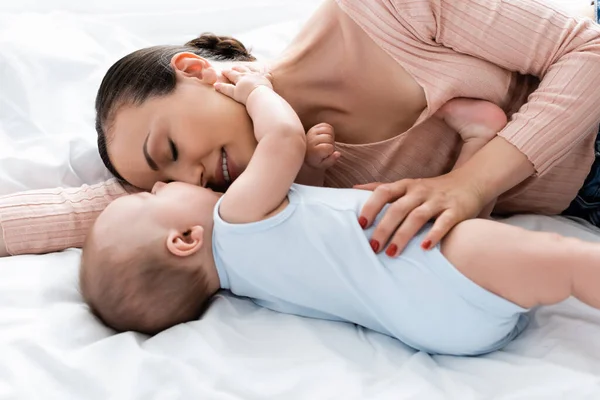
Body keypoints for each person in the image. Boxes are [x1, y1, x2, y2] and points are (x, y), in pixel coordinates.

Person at [2, 0, 600, 258]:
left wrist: (469, 184)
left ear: (196, 71)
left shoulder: (384, 11)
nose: (195, 180)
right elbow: (84, 213)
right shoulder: (277, 178)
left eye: (171, 150)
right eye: (169, 179)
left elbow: (589, 47)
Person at [80, 69, 600, 356]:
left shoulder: (250, 280)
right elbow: (279, 138)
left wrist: (311, 167)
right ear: (185, 239)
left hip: (436, 322)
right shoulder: (235, 218)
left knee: (446, 221)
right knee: (564, 261)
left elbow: (304, 222)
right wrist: (255, 92)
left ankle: (479, 140)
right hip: (435, 267)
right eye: (155, 194)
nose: (177, 182)